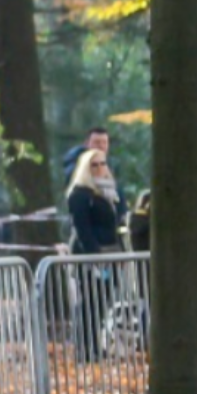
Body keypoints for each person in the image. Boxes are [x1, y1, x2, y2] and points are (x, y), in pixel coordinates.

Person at [67, 149, 123, 363]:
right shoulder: (80, 195)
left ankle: (95, 346)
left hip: (111, 254)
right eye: (94, 165)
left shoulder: (110, 193)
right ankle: (84, 349)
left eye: (102, 163)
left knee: (102, 303)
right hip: (90, 256)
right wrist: (94, 257)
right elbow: (82, 229)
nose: (100, 168)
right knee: (89, 303)